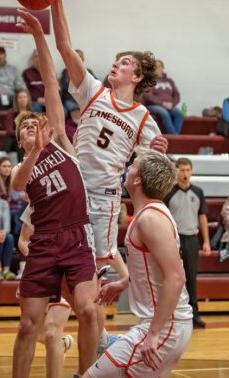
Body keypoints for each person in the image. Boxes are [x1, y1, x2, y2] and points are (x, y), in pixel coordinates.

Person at [50, 0, 168, 353]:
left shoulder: (146, 121)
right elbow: (66, 48)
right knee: (66, 275)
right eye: (116, 60)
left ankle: (98, 346)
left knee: (92, 279)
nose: (116, 64)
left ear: (139, 75)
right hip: (69, 193)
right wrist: (55, 3)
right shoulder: (92, 92)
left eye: (125, 62)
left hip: (101, 203)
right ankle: (94, 340)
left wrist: (162, 153)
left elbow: (155, 171)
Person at [12, 10, 98, 378]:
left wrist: (38, 36)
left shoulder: (61, 140)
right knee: (28, 326)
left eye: (35, 122)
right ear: (20, 141)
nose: (33, 125)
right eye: (26, 127)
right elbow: (18, 185)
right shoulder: (20, 167)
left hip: (77, 236)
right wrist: (34, 150)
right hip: (44, 243)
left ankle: (86, 375)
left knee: (89, 309)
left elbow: (49, 79)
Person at [84, 147, 193, 378]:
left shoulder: (150, 219)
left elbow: (176, 277)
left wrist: (153, 334)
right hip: (167, 325)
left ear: (138, 180)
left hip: (164, 327)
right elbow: (155, 267)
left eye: (132, 165)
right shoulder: (149, 214)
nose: (128, 167)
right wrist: (124, 283)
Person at [18, 208, 74, 378]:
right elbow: (23, 240)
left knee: (51, 332)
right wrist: (40, 259)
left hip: (64, 274)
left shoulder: (74, 200)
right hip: (38, 274)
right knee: (34, 332)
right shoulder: (36, 204)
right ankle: (62, 344)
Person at [164, 157, 211, 329]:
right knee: (173, 278)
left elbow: (202, 217)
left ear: (191, 171)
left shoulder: (198, 192)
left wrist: (206, 241)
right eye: (181, 170)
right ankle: (170, 315)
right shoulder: (168, 192)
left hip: (191, 239)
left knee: (191, 277)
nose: (185, 173)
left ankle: (194, 315)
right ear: (176, 171)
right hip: (173, 240)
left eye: (187, 170)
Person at [0, 156, 28, 244]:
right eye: (4, 166)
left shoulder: (12, 180)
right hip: (0, 210)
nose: (7, 169)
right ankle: (17, 239)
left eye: (9, 166)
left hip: (13, 209)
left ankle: (19, 239)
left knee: (25, 208)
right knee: (17, 215)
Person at [143, 59, 183, 134]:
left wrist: (172, 104)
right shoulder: (149, 81)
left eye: (161, 67)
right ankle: (174, 137)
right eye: (157, 68)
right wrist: (162, 104)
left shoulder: (169, 81)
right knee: (164, 112)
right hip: (153, 106)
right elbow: (149, 96)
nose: (159, 69)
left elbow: (177, 95)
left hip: (169, 106)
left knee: (179, 113)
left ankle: (176, 136)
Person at [59, 49, 96, 115]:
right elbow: (63, 89)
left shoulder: (88, 72)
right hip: (70, 100)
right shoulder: (65, 73)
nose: (77, 59)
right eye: (75, 57)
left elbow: (95, 86)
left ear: (83, 59)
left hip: (86, 100)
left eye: (80, 57)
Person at [5, 88, 33, 161]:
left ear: (28, 99)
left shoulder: (33, 114)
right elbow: (9, 131)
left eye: (24, 97)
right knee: (22, 143)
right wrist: (23, 134)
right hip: (15, 140)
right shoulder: (11, 113)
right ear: (16, 100)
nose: (22, 99)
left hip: (30, 138)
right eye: (20, 97)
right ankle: (21, 166)